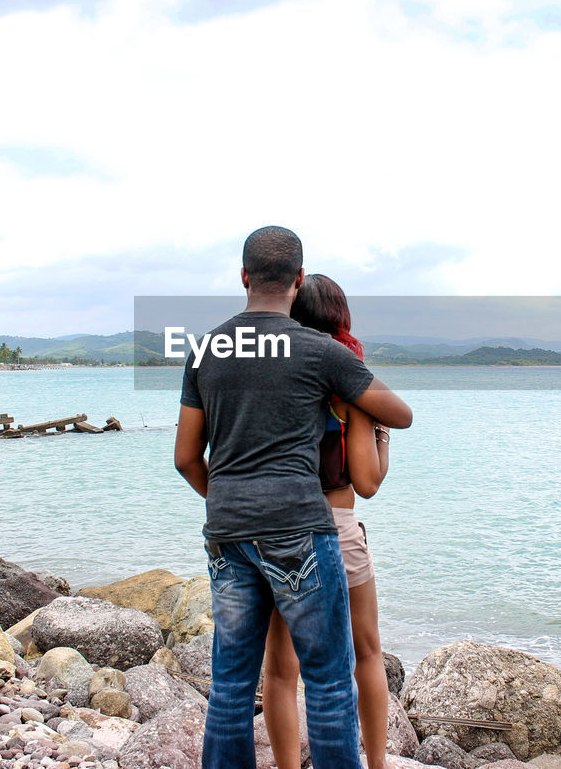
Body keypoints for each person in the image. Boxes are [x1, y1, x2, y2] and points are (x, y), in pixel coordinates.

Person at [174, 226, 413, 769]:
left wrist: (229, 499)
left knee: (233, 687)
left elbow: (187, 457)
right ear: (298, 280)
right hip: (301, 529)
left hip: (228, 532)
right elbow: (401, 413)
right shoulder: (320, 351)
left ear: (243, 278)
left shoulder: (204, 349)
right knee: (329, 683)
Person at [262, 274, 393, 769]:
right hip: (335, 527)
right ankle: (377, 764)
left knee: (280, 670)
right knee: (366, 654)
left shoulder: (276, 381)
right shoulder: (347, 384)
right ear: (341, 318)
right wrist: (380, 432)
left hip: (278, 528)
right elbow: (368, 483)